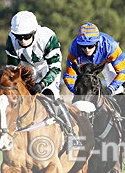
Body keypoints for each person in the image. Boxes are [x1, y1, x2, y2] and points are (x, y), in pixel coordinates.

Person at [5, 10, 80, 147]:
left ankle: (71, 134)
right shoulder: (11, 39)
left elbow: (55, 68)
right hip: (26, 70)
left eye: (26, 36)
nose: (22, 40)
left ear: (34, 32)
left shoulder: (48, 37)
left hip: (47, 68)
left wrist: (43, 84)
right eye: (19, 37)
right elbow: (12, 68)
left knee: (51, 97)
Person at [62, 22, 125, 141]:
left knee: (119, 92)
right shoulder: (75, 48)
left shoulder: (110, 46)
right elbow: (68, 76)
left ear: (97, 43)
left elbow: (122, 73)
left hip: (108, 63)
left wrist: (110, 89)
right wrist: (78, 90)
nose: (86, 49)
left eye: (90, 46)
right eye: (83, 46)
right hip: (87, 67)